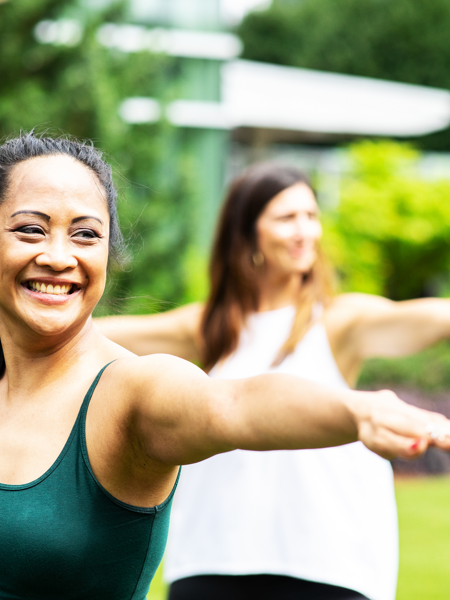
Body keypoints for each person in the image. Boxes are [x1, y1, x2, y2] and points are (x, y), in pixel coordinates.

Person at [97, 162, 450, 600]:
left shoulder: (339, 321)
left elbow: (432, 319)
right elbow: (89, 333)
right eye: (287, 218)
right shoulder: (209, 327)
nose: (306, 231)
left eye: (311, 216)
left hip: (325, 564)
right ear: (247, 234)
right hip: (213, 559)